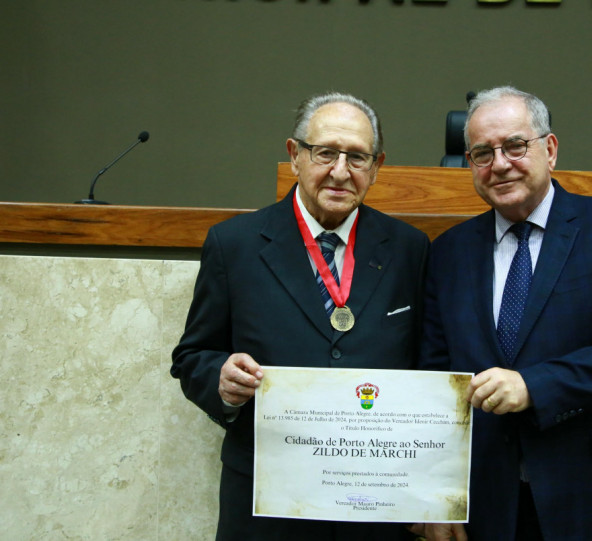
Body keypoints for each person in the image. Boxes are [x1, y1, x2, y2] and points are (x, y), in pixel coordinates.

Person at [171, 92, 429, 541]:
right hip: (266, 505)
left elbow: (429, 366)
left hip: (375, 504)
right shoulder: (235, 245)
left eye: (357, 157)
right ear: (295, 155)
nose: (340, 171)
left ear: (377, 166)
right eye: (326, 153)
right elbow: (193, 355)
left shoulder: (410, 249)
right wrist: (223, 380)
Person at [418, 86, 592, 541]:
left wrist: (534, 385)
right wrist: (438, 494)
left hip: (591, 494)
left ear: (549, 149)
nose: (499, 164)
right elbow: (437, 382)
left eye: (515, 145)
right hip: (487, 502)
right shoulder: (447, 252)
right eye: (481, 153)